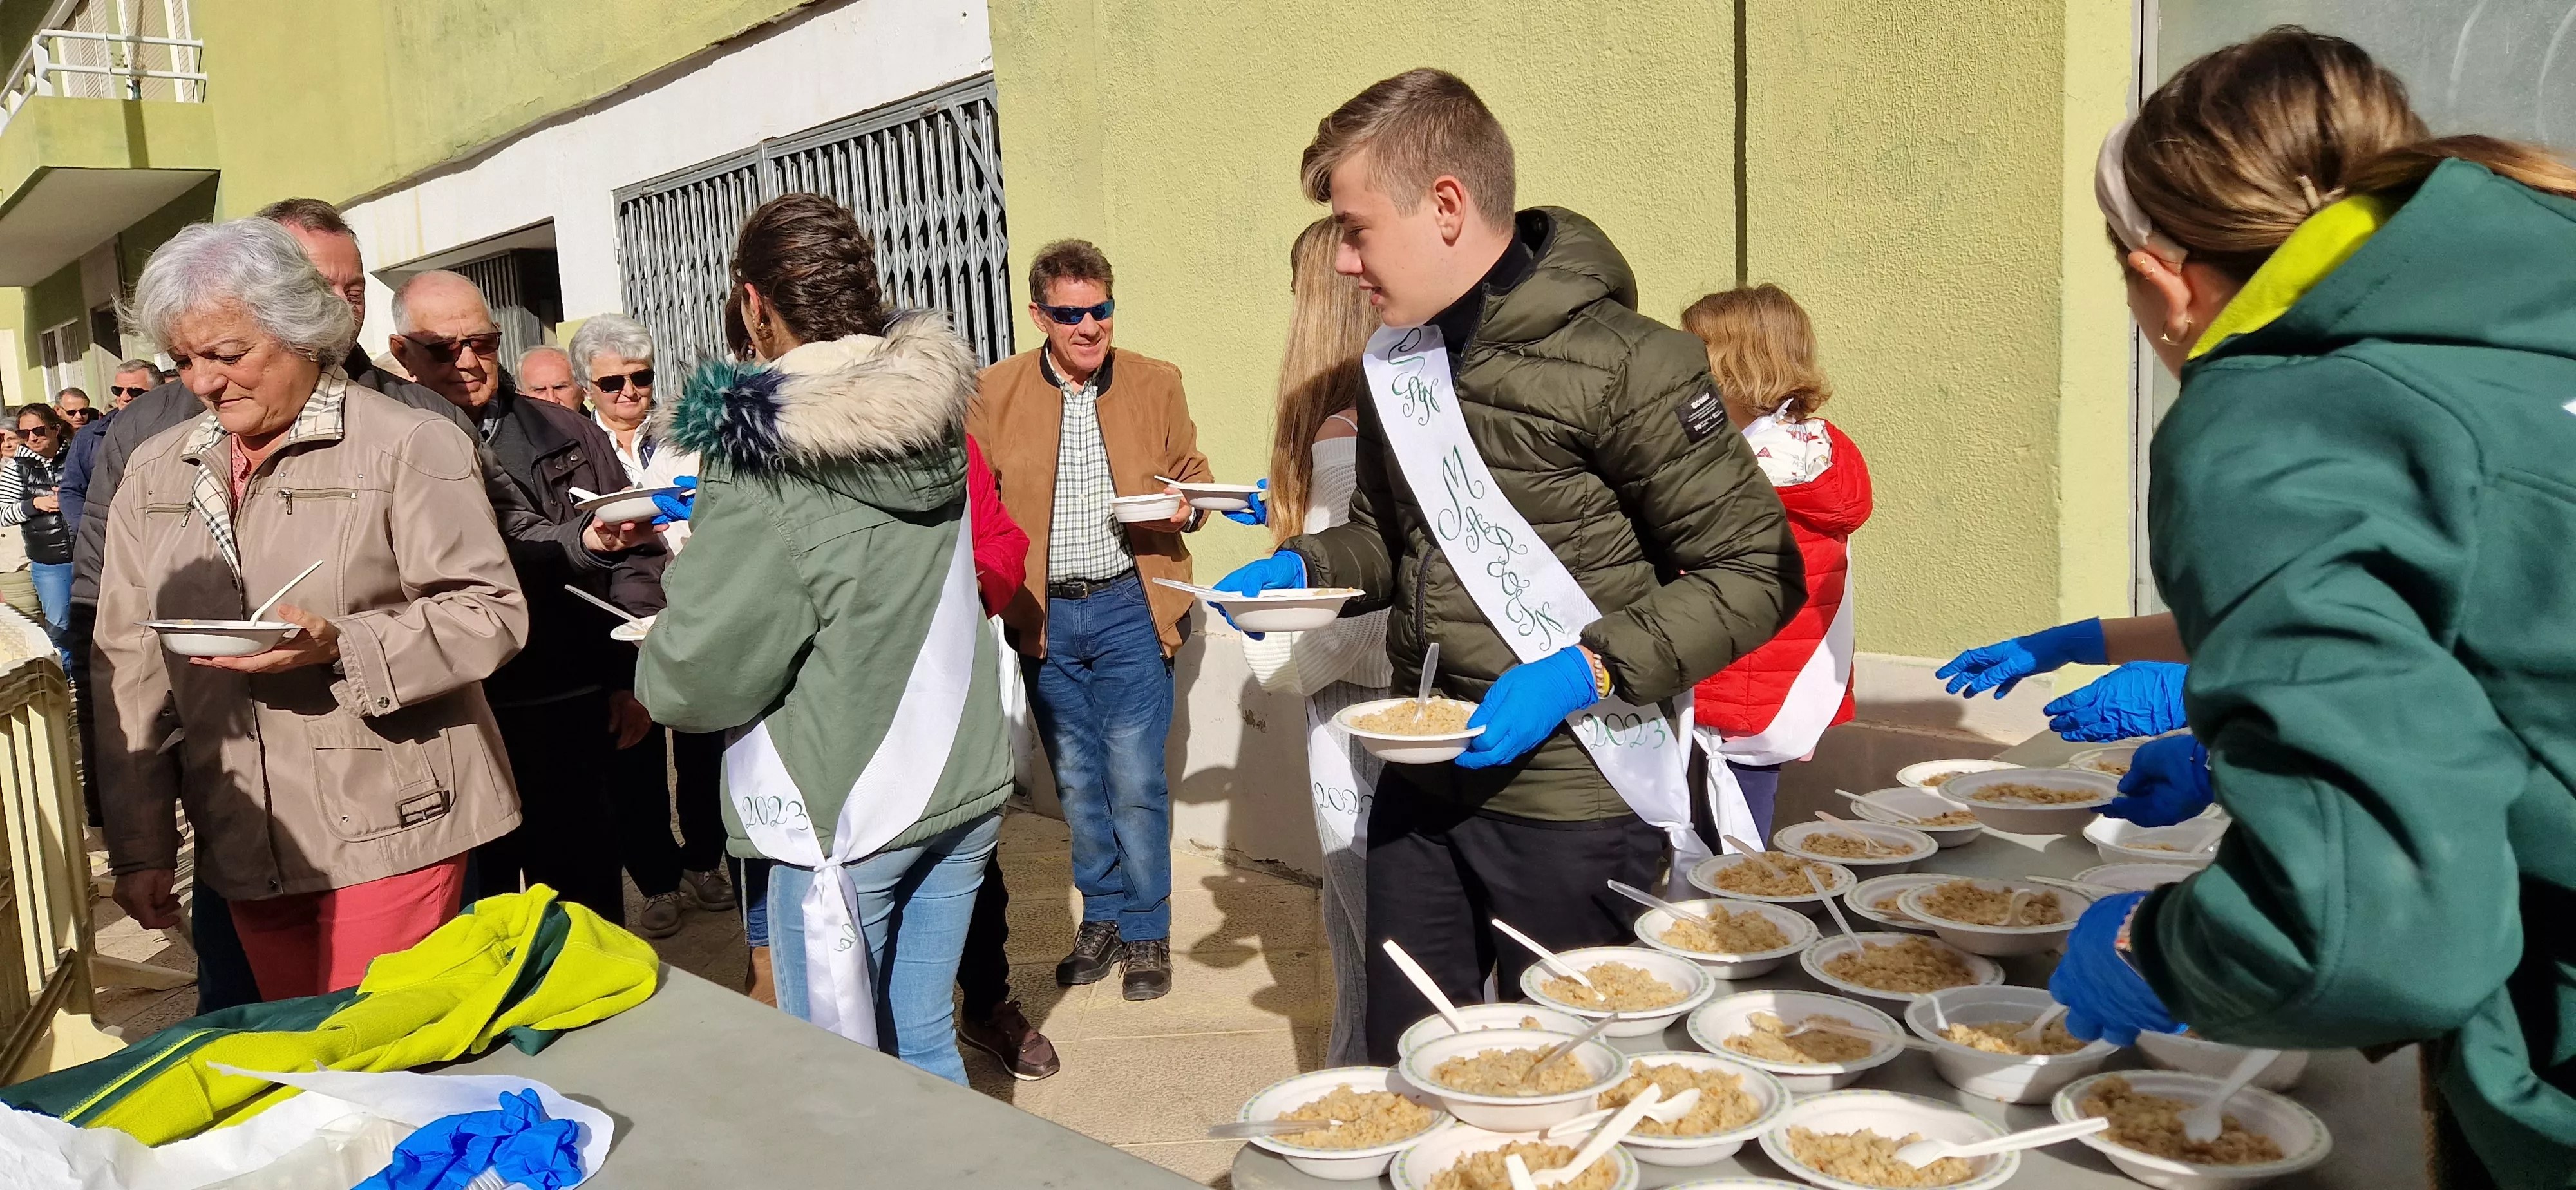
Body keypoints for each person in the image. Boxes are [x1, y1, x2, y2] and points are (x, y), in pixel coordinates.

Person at [2041, 28, 2576, 1187]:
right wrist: (2236, 751)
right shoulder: (2532, 304)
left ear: (2159, 278)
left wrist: (2161, 948)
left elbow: (2374, 927)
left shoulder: (2281, 418)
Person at [1220, 69, 1801, 1063]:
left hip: (1578, 790)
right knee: (1418, 1054)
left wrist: (1588, 669)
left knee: (1570, 1067)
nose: (1347, 261)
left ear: (1446, 206)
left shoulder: (1633, 363)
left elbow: (1754, 570)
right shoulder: (1393, 366)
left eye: (1357, 229)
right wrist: (1306, 567)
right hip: (1424, 771)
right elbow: (1389, 540)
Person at [66, 197, 638, 1014]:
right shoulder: (157, 472)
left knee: (379, 1053)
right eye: (184, 360)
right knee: (304, 1062)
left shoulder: (408, 442)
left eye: (228, 353)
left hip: (396, 818)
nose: (204, 381)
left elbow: (490, 611)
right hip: (243, 829)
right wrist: (139, 843)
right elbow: (127, 663)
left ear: (302, 330)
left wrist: (343, 645)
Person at [636, 192, 1012, 1085]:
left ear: (754, 303)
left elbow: (703, 672)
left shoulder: (761, 444)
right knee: (922, 1045)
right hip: (959, 772)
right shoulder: (937, 415)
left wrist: (663, 643)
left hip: (844, 802)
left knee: (839, 1078)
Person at [969, 239, 1212, 1003]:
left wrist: (1188, 506)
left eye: (1099, 310)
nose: (1088, 327)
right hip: (1043, 613)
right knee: (1077, 781)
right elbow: (979, 504)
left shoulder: (1154, 381)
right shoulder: (994, 392)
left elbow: (1194, 480)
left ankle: (1146, 929)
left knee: (1135, 777)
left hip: (1129, 605)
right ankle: (1100, 917)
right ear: (1038, 314)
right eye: (1069, 314)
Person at [390, 270, 656, 925]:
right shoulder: (385, 443)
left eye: (482, 342)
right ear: (401, 354)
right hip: (453, 716)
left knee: (584, 908)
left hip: (569, 706)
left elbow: (637, 551)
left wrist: (627, 677)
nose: (469, 362)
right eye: (441, 349)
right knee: (481, 920)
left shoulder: (566, 431)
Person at [1223, 217, 1390, 1067]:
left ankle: (1367, 1100)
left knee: (1373, 934)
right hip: (1402, 700)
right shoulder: (1381, 413)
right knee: (1363, 929)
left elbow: (1353, 615)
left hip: (1367, 709)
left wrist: (1269, 635)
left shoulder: (1339, 426)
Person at [1681, 284, 1871, 843]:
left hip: (1738, 683)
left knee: (1727, 844)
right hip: (1774, 683)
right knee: (1734, 823)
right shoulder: (1813, 449)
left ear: (1730, 369)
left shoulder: (1748, 465)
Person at [566, 312, 732, 939]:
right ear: (589, 386)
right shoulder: (577, 450)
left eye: (641, 377)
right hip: (618, 622)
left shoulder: (684, 437)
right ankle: (658, 882)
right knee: (633, 761)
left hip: (693, 616)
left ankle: (703, 863)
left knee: (701, 753)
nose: (631, 392)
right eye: (613, 383)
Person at [1, 404, 75, 652]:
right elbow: (2, 514)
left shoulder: (77, 456)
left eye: (39, 430)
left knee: (100, 622)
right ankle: (66, 685)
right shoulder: (16, 467)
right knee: (59, 627)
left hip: (92, 553)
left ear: (55, 429)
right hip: (50, 562)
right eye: (24, 434)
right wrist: (34, 504)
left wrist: (73, 498)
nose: (31, 438)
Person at [516, 346, 585, 411]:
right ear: (522, 396)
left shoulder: (593, 422)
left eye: (560, 387)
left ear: (582, 392)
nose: (552, 400)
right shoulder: (509, 423)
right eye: (540, 390)